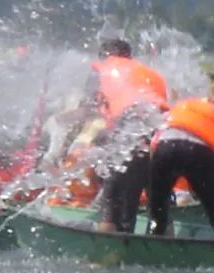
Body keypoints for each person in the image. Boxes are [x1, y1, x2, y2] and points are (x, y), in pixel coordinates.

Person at [70, 39, 168, 233]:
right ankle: (158, 248)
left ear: (105, 56)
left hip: (131, 122)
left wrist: (67, 146)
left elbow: (86, 111)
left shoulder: (102, 69)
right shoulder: (147, 72)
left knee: (112, 195)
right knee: (145, 193)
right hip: (163, 128)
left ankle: (103, 257)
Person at [149, 97, 214, 239]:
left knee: (157, 216)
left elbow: (153, 145)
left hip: (165, 149)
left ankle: (155, 244)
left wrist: (154, 185)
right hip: (197, 154)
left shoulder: (185, 108)